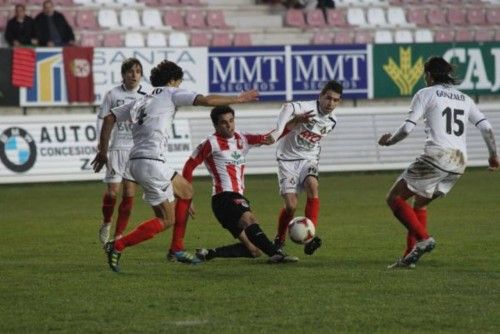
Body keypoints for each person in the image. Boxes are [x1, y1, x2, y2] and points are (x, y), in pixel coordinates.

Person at [91, 60, 259, 272]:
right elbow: (205, 100)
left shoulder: (142, 100)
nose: (179, 87)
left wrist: (102, 151)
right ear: (173, 81)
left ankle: (176, 249)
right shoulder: (171, 92)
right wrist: (238, 99)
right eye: (179, 82)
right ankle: (118, 245)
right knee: (166, 219)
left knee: (186, 191)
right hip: (151, 162)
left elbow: (109, 118)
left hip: (135, 162)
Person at [378, 56, 499, 269]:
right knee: (420, 202)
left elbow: (407, 128)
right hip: (459, 162)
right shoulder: (464, 99)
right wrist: (493, 156)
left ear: (429, 75)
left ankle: (424, 239)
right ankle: (409, 257)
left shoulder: (425, 94)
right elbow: (487, 128)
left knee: (394, 198)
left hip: (436, 156)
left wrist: (389, 141)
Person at [173, 106, 299, 264]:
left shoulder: (242, 138)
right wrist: (187, 196)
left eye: (231, 121)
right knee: (249, 219)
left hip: (231, 199)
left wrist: (292, 124)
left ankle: (209, 253)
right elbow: (189, 166)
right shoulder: (211, 143)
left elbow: (269, 138)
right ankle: (277, 254)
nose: (229, 125)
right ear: (216, 126)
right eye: (224, 123)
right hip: (224, 197)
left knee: (253, 250)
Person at [271, 80, 343, 256]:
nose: (330, 103)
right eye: (328, 98)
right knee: (291, 206)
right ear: (320, 96)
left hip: (308, 159)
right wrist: (278, 130)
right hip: (287, 159)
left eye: (335, 100)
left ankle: (309, 237)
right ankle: (279, 239)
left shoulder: (332, 120)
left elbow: (315, 139)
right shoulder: (307, 107)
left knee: (313, 186)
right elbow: (287, 107)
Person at [97, 58, 147, 246]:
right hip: (116, 147)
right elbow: (102, 119)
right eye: (130, 71)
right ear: (123, 74)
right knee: (112, 193)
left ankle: (118, 236)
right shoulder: (113, 94)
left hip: (135, 149)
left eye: (137, 71)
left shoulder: (146, 95)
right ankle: (106, 223)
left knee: (128, 193)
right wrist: (101, 147)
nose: (134, 75)